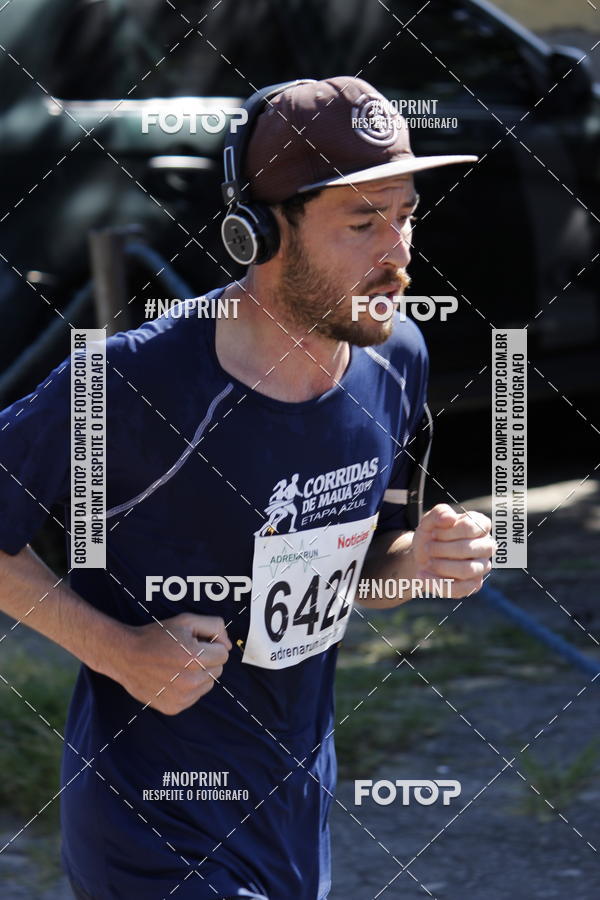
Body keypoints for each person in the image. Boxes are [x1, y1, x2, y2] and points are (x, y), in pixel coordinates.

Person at [0, 76, 495, 900]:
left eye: (405, 216)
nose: (399, 254)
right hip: (152, 831)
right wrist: (117, 651)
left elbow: (360, 577)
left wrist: (418, 564)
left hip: (295, 814)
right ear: (259, 234)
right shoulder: (135, 382)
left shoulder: (397, 357)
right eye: (363, 222)